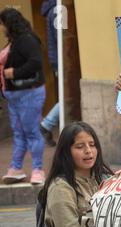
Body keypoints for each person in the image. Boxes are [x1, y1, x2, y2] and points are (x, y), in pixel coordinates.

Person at [0, 8, 46, 185]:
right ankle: (16, 168)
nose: (2, 28)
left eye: (3, 24)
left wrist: (14, 73)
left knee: (32, 131)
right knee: (19, 133)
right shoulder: (14, 41)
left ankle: (37, 169)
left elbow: (35, 62)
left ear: (10, 24)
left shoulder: (27, 40)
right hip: (14, 94)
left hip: (29, 92)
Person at [40, 0, 59, 147]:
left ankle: (47, 124)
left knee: (65, 97)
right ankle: (47, 124)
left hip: (57, 59)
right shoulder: (58, 10)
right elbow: (62, 38)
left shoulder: (52, 9)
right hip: (62, 60)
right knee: (67, 97)